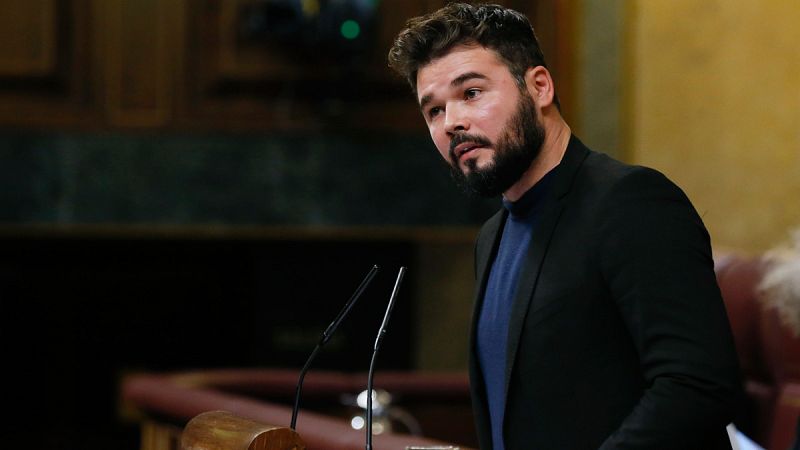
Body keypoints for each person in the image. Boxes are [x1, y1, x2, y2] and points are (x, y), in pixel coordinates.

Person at [388, 3, 742, 449]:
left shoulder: (631, 202)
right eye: (434, 111)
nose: (452, 122)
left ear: (539, 86)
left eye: (472, 92)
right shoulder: (492, 237)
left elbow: (698, 385)